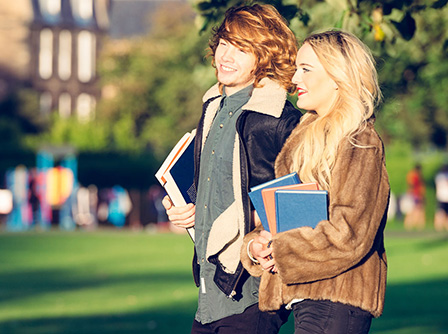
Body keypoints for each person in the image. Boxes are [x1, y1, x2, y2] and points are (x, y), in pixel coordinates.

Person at [162, 4, 302, 333]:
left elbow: (297, 204)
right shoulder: (214, 107)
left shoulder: (279, 119)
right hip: (210, 291)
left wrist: (241, 222)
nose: (226, 55)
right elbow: (214, 184)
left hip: (251, 292)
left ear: (265, 55)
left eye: (241, 48)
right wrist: (185, 207)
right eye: (225, 43)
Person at [243, 30, 390, 334]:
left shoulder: (360, 142)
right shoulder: (301, 140)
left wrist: (280, 249)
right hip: (305, 299)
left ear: (338, 76)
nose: (295, 77)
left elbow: (349, 234)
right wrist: (258, 244)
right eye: (297, 67)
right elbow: (284, 218)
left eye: (306, 69)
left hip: (338, 301)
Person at [404, 164, 426, 230]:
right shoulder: (415, 175)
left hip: (414, 194)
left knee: (413, 209)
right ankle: (411, 224)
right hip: (415, 194)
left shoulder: (411, 174)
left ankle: (410, 225)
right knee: (416, 209)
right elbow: (412, 184)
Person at [434, 164, 448, 231]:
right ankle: (439, 225)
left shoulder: (438, 176)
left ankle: (441, 226)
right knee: (441, 212)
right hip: (444, 197)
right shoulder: (442, 176)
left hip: (441, 196)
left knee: (441, 212)